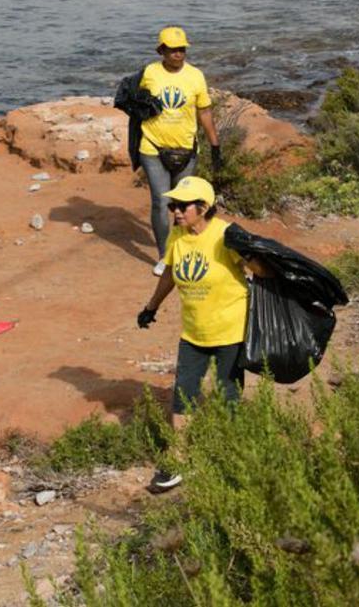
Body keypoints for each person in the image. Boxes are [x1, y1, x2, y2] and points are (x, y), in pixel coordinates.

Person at [136, 176, 265, 492]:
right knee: (184, 393)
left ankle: (234, 459)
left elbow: (262, 271)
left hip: (230, 331)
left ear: (203, 208)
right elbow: (170, 270)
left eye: (182, 206)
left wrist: (253, 257)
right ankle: (178, 462)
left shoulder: (225, 236)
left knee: (228, 396)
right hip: (193, 332)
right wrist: (152, 305)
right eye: (172, 206)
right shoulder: (178, 236)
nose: (176, 212)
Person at [138, 27, 222, 276]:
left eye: (182, 49)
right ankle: (164, 255)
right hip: (152, 146)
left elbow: (204, 111)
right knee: (160, 200)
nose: (178, 54)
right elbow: (131, 99)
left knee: (182, 204)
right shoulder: (149, 73)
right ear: (161, 50)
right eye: (173, 49)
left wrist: (215, 145)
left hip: (186, 149)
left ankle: (181, 249)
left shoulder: (196, 76)